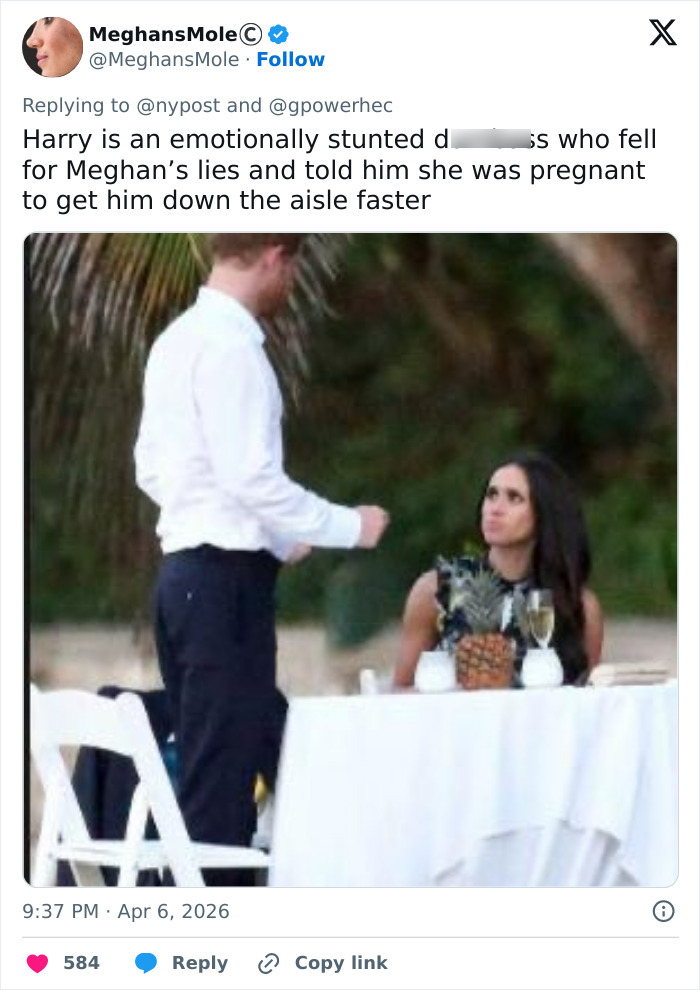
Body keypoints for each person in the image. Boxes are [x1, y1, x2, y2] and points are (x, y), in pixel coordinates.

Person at [134, 233, 389, 883]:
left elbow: (155, 472)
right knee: (220, 792)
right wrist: (348, 526)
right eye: (295, 266)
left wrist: (276, 538)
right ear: (276, 254)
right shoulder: (232, 350)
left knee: (226, 763)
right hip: (222, 588)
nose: (292, 283)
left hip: (186, 580)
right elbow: (251, 477)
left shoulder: (177, 341)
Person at [394, 452, 603, 688]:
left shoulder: (578, 605)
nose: (495, 508)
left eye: (514, 498)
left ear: (544, 513)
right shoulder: (437, 590)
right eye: (491, 495)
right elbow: (399, 693)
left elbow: (591, 701)